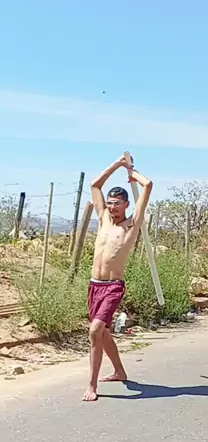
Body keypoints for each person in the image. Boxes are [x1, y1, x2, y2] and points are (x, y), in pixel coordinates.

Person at [82, 154, 153, 402]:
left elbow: (148, 185)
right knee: (103, 333)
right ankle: (119, 372)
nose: (112, 207)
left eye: (117, 203)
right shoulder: (103, 219)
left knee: (95, 331)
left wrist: (132, 175)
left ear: (126, 205)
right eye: (110, 203)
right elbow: (95, 185)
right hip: (94, 285)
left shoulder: (131, 225)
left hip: (113, 286)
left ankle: (91, 385)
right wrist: (117, 164)